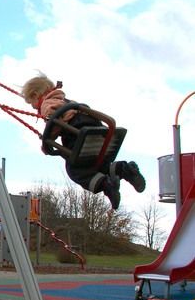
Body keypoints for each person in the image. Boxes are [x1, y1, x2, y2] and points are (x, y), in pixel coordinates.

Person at [21, 74, 146, 210]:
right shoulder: (66, 100)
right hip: (99, 135)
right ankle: (125, 169)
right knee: (97, 166)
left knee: (74, 170)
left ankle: (106, 185)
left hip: (79, 137)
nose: (34, 108)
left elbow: (54, 123)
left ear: (35, 95)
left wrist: (47, 141)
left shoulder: (47, 103)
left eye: (32, 104)